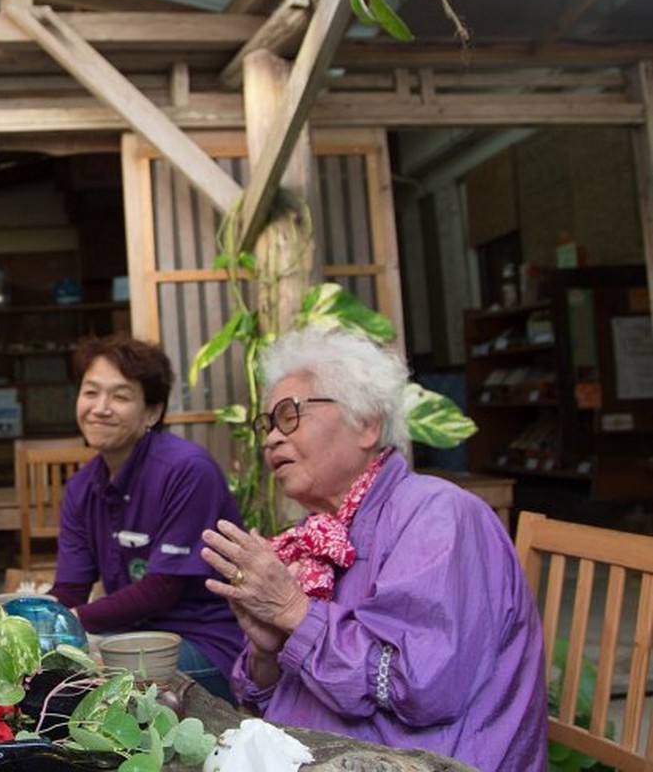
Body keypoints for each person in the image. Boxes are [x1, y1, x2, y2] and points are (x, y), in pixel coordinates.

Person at [201, 325, 547, 771]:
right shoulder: (318, 534)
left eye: (289, 415)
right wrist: (267, 654)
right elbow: (275, 701)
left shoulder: (438, 516)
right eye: (266, 424)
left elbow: (421, 688)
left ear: (366, 423)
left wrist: (293, 611)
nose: (270, 438)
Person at [48, 335, 245, 702]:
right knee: (42, 669)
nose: (100, 408)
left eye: (120, 397)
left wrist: (67, 623)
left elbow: (161, 589)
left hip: (203, 642)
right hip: (127, 638)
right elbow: (70, 590)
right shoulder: (80, 487)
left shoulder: (187, 470)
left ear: (152, 412)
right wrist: (27, 622)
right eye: (91, 392)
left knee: (77, 683)